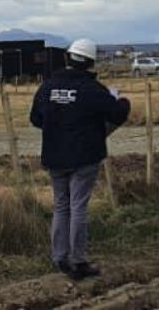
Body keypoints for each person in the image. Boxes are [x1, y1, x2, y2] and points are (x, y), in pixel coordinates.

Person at [30, 38, 130, 280]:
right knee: (78, 207)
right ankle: (78, 261)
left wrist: (58, 127)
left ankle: (60, 257)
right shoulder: (92, 89)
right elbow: (117, 113)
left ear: (67, 58)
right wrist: (122, 101)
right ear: (90, 63)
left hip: (55, 155)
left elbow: (35, 118)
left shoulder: (48, 86)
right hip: (84, 157)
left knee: (61, 206)